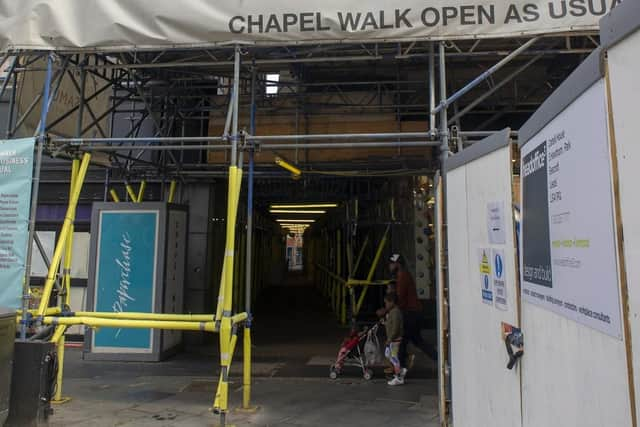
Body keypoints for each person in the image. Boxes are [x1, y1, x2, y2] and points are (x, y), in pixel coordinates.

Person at [384, 253, 437, 372]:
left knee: (401, 341)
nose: (389, 267)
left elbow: (399, 299)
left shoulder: (402, 277)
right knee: (417, 340)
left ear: (397, 264)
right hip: (414, 313)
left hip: (411, 314)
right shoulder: (402, 276)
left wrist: (386, 310)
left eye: (391, 264)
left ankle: (400, 369)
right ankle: (437, 358)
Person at [383, 292, 405, 386]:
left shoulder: (395, 312)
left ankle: (398, 377)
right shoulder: (392, 312)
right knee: (388, 354)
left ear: (392, 302)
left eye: (386, 303)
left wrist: (389, 339)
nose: (386, 305)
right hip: (393, 339)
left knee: (394, 358)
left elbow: (395, 328)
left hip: (395, 340)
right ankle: (400, 371)